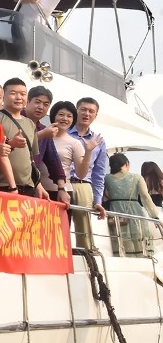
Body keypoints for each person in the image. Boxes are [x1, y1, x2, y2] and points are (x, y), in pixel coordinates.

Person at [0, 78, 62, 199]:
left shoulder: (30, 124)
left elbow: (30, 160)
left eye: (22, 94)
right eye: (13, 93)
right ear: (3, 96)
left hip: (28, 186)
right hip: (1, 184)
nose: (18, 97)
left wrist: (38, 185)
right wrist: (10, 143)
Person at [49, 100, 100, 249]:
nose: (65, 119)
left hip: (62, 192)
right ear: (53, 116)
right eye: (61, 115)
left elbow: (81, 173)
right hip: (40, 190)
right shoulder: (42, 134)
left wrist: (88, 152)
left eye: (69, 116)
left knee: (58, 237)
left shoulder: (74, 143)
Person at [104, 153, 163, 257]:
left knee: (120, 239)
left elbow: (105, 197)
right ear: (126, 164)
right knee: (138, 240)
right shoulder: (136, 178)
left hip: (115, 212)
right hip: (135, 212)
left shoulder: (107, 179)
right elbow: (146, 198)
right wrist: (155, 216)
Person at [24, 85, 71, 203]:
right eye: (37, 102)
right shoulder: (15, 120)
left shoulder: (44, 129)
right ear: (27, 101)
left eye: (46, 104)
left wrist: (61, 188)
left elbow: (54, 161)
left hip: (32, 185)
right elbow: (16, 144)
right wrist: (42, 134)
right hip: (8, 183)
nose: (41, 107)